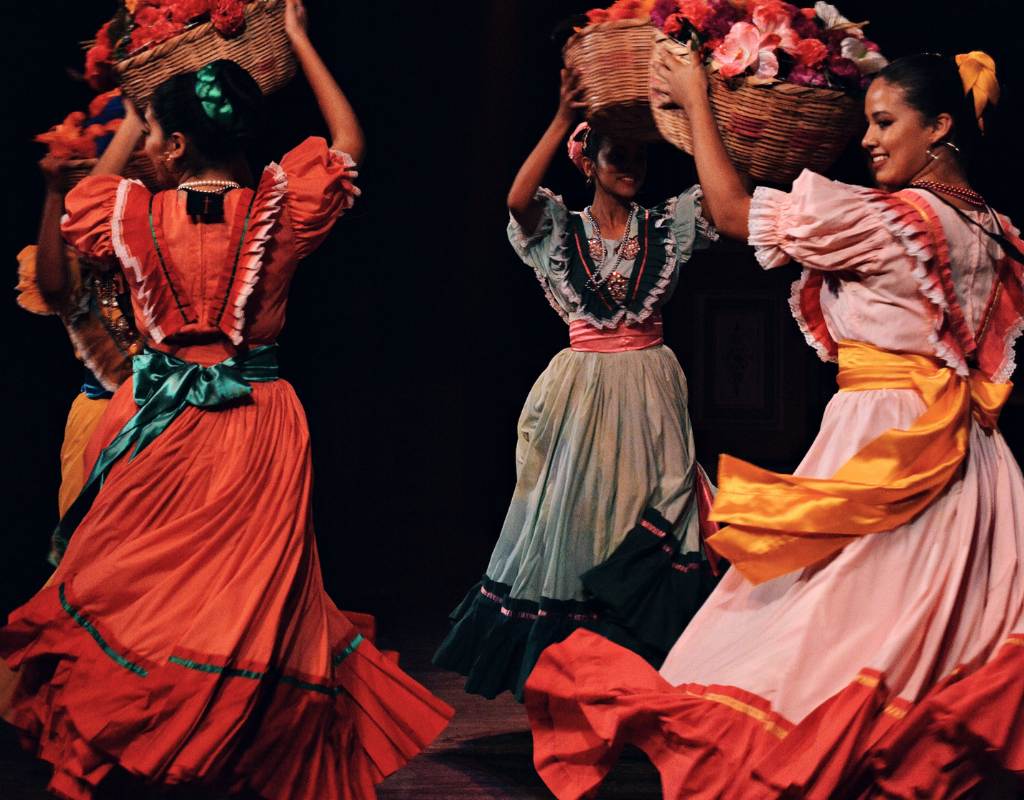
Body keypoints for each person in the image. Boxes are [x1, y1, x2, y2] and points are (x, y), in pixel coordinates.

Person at [524, 50, 1024, 799]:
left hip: (888, 444)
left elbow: (733, 215)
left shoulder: (891, 220)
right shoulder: (992, 226)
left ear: (939, 127)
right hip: (973, 460)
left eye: (884, 122)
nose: (867, 140)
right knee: (921, 632)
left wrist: (697, 99)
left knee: (814, 625)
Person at [0, 2, 451, 797]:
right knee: (248, 597)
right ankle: (229, 747)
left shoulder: (132, 212)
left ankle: (154, 738)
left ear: (175, 145)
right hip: (256, 421)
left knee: (143, 588)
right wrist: (301, 41)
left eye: (159, 136)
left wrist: (134, 117)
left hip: (159, 420)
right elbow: (348, 143)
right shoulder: (278, 209)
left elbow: (83, 200)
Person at [433, 67, 720, 702]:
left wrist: (699, 110)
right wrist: (564, 117)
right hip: (583, 387)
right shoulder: (561, 229)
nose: (631, 167)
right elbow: (517, 200)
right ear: (588, 162)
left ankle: (642, 668)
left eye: (639, 156)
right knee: (579, 512)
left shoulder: (665, 226)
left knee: (655, 505)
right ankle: (577, 675)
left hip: (649, 384)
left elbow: (728, 198)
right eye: (618, 155)